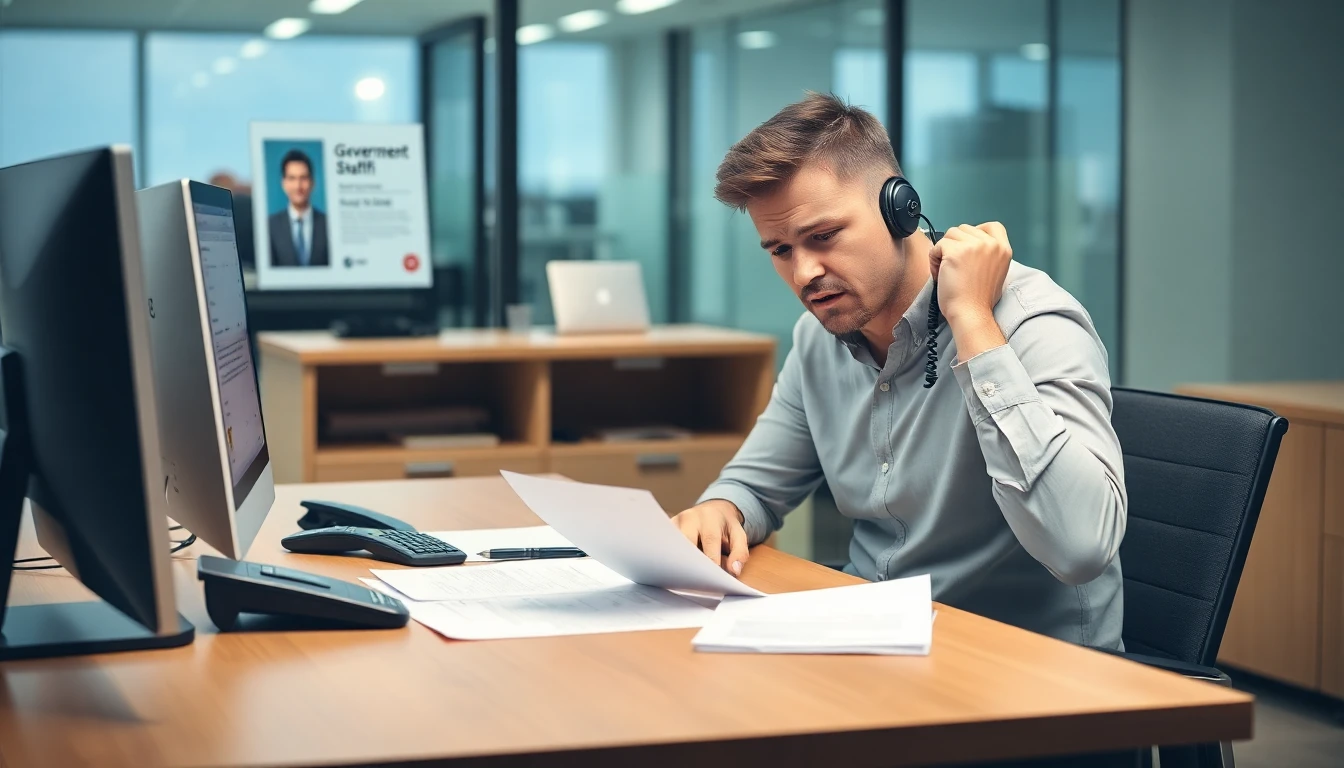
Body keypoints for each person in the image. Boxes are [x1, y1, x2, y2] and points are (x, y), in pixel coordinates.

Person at [672, 92, 1126, 648]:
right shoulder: (819, 338)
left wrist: (972, 323)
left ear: (900, 210)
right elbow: (756, 486)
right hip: (874, 644)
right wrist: (721, 509)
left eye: (823, 237)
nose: (805, 273)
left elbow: (1081, 548)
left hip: (1020, 668)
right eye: (780, 250)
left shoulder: (1033, 322)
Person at [268, 149, 329, 268]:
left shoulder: (329, 225)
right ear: (284, 183)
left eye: (303, 178)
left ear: (312, 182)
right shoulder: (270, 226)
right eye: (292, 178)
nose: (298, 186)